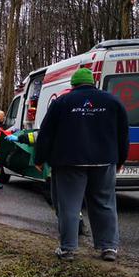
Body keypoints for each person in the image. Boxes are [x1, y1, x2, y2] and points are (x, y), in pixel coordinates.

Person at [35, 68, 129, 262]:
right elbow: (122, 134)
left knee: (69, 205)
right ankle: (108, 247)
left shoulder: (62, 102)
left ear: (73, 84)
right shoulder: (113, 102)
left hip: (69, 161)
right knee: (104, 203)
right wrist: (120, 160)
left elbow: (46, 133)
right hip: (104, 161)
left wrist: (39, 158)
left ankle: (68, 249)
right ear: (93, 82)